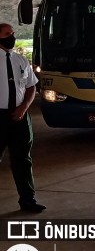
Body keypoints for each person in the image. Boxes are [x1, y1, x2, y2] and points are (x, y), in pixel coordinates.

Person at [0, 22, 46, 213]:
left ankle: (28, 200)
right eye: (7, 34)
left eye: (13, 33)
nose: (13, 37)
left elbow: (31, 86)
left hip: (20, 116)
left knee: (22, 159)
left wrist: (23, 108)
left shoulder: (20, 60)